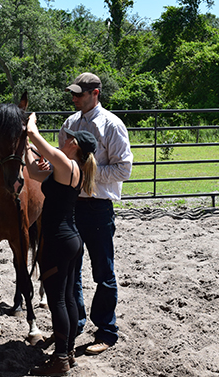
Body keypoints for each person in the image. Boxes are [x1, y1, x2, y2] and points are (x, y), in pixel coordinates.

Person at [60, 72, 133, 355]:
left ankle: (106, 331)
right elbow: (62, 160)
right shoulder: (70, 124)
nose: (75, 98)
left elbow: (123, 169)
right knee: (71, 270)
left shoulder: (112, 125)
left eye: (79, 94)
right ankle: (76, 324)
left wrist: (87, 172)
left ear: (95, 93)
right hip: (72, 205)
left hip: (98, 206)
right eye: (74, 94)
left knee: (103, 272)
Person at [25, 112, 98, 376]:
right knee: (66, 298)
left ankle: (60, 361)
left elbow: (35, 135)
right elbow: (33, 173)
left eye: (69, 138)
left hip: (57, 241)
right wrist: (26, 150)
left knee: (57, 300)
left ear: (75, 145)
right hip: (71, 240)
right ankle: (68, 353)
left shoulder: (66, 164)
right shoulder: (71, 169)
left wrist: (30, 121)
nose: (64, 140)